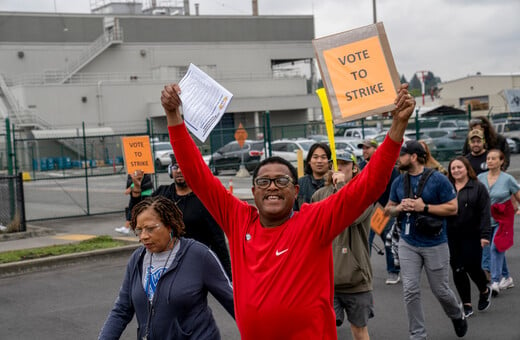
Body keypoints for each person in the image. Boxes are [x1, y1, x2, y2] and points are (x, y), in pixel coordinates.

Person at [160, 82, 415, 339]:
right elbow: (197, 173)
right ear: (253, 191)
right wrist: (173, 116)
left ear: (295, 191)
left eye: (281, 181)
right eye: (263, 181)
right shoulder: (238, 219)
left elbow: (367, 186)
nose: (272, 186)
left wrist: (397, 128)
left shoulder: (314, 221)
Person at [99, 196, 234, 339]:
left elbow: (233, 302)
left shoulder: (199, 255)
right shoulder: (137, 259)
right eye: (139, 230)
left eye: (150, 229)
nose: (143, 236)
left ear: (170, 225)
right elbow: (121, 310)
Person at [385, 140, 467, 339]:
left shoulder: (438, 179)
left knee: (440, 290)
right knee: (410, 290)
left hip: (435, 243)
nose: (398, 159)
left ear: (413, 157)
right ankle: (418, 335)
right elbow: (388, 209)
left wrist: (425, 208)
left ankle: (456, 314)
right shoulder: (399, 181)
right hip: (407, 243)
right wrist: (399, 208)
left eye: (402, 155)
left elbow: (452, 208)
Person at [128, 158, 232, 279]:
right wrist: (136, 188)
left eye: (183, 166)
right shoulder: (162, 194)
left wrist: (229, 277)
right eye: (175, 167)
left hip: (194, 264)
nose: (178, 171)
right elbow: (138, 214)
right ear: (170, 171)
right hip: (165, 263)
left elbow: (217, 240)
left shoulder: (203, 199)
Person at [311, 151, 375, 340]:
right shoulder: (319, 195)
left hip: (356, 279)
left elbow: (350, 217)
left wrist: (342, 189)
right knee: (324, 329)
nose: (338, 168)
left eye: (344, 164)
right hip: (326, 279)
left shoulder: (364, 193)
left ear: (354, 168)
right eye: (335, 164)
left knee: (359, 330)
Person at [446, 156, 492, 317]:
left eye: (460, 167)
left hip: (472, 235)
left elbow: (485, 213)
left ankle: (484, 289)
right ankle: (466, 304)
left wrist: (485, 235)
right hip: (451, 236)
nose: (456, 170)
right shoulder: (447, 187)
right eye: (453, 168)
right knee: (458, 269)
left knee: (472, 267)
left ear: (467, 169)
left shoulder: (478, 188)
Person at [358, 138, 401, 285]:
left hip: (383, 209)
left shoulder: (387, 165)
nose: (364, 151)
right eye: (363, 148)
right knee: (365, 242)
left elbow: (394, 186)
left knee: (388, 241)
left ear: (376, 149)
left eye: (367, 148)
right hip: (367, 210)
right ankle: (364, 273)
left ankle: (393, 271)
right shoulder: (360, 166)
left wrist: (389, 206)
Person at [477, 149, 519, 296]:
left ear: (501, 161)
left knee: (495, 247)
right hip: (486, 221)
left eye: (494, 158)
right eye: (488, 158)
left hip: (503, 219)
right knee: (494, 249)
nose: (490, 161)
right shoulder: (480, 178)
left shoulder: (507, 179)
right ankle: (507, 278)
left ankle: (495, 281)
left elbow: (518, 195)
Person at [295, 142, 331, 209]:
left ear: (329, 162)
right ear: (309, 161)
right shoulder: (300, 184)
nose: (319, 161)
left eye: (323, 157)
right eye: (315, 157)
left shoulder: (334, 184)